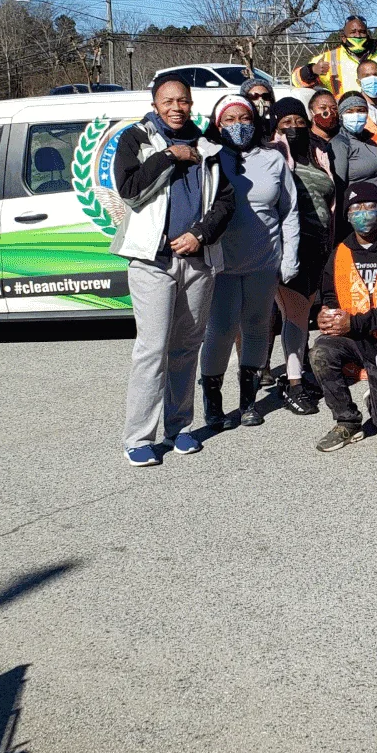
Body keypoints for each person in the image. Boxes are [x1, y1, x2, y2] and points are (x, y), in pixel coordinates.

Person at [113, 76, 235, 466]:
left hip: (197, 259)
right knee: (152, 349)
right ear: (155, 102)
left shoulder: (208, 144)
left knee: (186, 347)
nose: (176, 108)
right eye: (168, 101)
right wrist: (170, 156)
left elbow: (226, 202)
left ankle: (179, 427)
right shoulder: (136, 138)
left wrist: (200, 234)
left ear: (191, 103)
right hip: (154, 261)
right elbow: (130, 189)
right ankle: (138, 437)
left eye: (183, 100)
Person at [201, 93, 300, 431]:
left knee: (258, 327)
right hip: (223, 265)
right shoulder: (209, 158)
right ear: (217, 124)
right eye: (229, 120)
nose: (238, 126)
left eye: (244, 118)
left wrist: (290, 256)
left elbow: (289, 211)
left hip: (264, 261)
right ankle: (213, 405)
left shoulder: (272, 160)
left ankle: (248, 403)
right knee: (221, 330)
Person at [311, 182, 377, 453]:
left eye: (370, 207)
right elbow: (329, 293)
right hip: (354, 338)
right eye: (355, 208)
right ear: (346, 215)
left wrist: (357, 322)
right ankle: (346, 420)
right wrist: (327, 315)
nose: (363, 213)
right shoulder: (340, 252)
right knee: (320, 352)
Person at [272, 97, 335, 417]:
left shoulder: (317, 154)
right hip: (290, 249)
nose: (294, 127)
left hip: (320, 247)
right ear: (276, 126)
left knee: (300, 316)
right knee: (295, 316)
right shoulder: (274, 155)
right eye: (286, 122)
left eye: (299, 120)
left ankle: (297, 374)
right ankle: (294, 385)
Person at [322, 90, 377, 234]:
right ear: (341, 115)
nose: (356, 115)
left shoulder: (372, 142)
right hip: (358, 221)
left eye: (361, 110)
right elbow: (339, 189)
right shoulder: (340, 144)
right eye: (350, 111)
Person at [292, 13, 377, 98]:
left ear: (368, 35)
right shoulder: (327, 59)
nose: (358, 36)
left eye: (362, 32)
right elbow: (296, 81)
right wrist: (311, 70)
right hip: (343, 121)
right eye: (353, 32)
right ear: (343, 38)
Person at [355, 58, 377, 129]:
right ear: (359, 82)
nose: (373, 79)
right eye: (367, 76)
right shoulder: (355, 110)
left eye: (376, 74)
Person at [240, 75, 276, 139]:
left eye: (265, 96)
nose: (261, 101)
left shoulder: (275, 126)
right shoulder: (240, 127)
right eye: (254, 96)